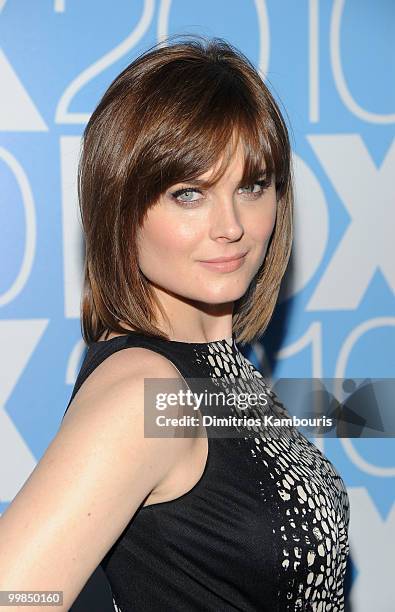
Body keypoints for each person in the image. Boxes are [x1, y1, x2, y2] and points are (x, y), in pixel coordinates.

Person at [0, 35, 350, 611]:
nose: (231, 226)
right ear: (120, 207)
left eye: (251, 185)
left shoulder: (219, 370)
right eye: (189, 194)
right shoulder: (146, 391)